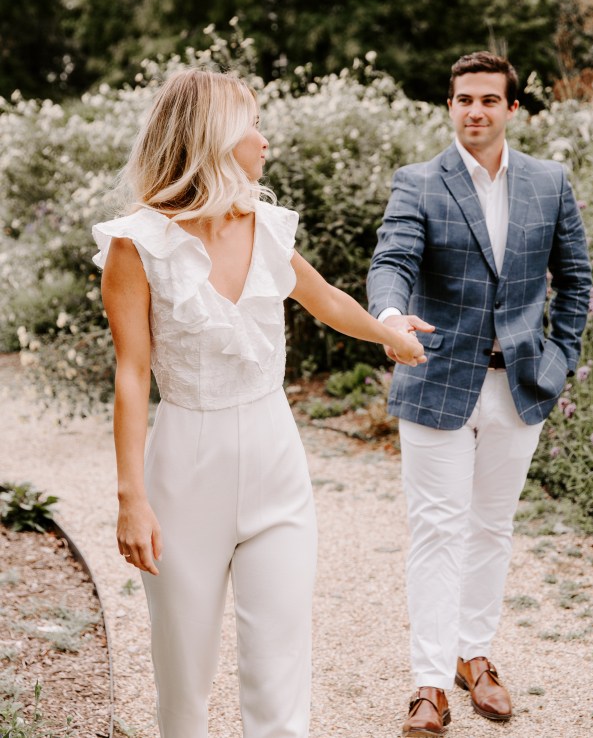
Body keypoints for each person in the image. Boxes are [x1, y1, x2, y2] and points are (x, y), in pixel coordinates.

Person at [93, 68, 426, 738]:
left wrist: (390, 334)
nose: (264, 139)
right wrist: (131, 499)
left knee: (280, 679)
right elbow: (132, 374)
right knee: (183, 685)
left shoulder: (269, 228)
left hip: (278, 460)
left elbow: (326, 300)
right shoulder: (137, 245)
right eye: (252, 124)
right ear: (214, 138)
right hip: (185, 470)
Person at [367, 51, 591, 736]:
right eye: (464, 99)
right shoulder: (418, 181)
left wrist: (559, 359)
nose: (475, 110)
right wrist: (389, 316)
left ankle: (476, 656)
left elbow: (576, 279)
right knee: (438, 530)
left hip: (519, 385)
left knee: (492, 527)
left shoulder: (549, 182)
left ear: (512, 109)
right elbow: (392, 260)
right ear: (449, 105)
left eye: (489, 100)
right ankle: (430, 684)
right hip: (436, 378)